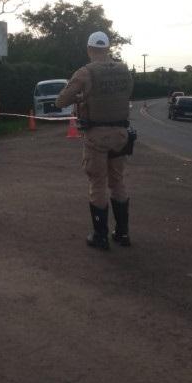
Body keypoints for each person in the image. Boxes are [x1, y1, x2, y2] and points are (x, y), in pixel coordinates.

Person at [56, 31, 134, 250]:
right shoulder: (124, 70)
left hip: (97, 136)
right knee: (117, 181)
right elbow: (127, 95)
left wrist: (81, 97)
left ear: (89, 49)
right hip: (121, 135)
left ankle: (100, 236)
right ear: (108, 49)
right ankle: (122, 233)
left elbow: (61, 100)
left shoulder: (86, 72)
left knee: (98, 183)